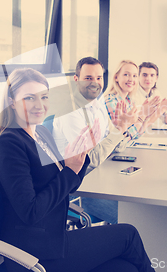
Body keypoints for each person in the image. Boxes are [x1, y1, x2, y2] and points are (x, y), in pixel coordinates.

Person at [0, 68, 155, 272]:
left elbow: (65, 186)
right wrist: (69, 171)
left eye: (44, 97)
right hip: (35, 252)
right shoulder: (9, 143)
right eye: (29, 98)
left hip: (54, 238)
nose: (39, 105)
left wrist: (80, 158)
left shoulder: (39, 134)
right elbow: (31, 212)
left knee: (125, 267)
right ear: (11, 101)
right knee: (128, 235)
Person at [52, 57, 137, 224]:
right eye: (88, 78)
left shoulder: (97, 106)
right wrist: (119, 129)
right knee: (137, 216)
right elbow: (90, 161)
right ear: (76, 79)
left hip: (101, 179)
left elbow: (116, 148)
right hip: (82, 190)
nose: (95, 83)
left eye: (99, 78)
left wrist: (122, 126)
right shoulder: (70, 112)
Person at [104, 60, 167, 138]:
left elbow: (136, 133)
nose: (148, 79)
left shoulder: (129, 99)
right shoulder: (115, 100)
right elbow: (125, 136)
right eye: (126, 74)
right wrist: (148, 114)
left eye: (134, 76)